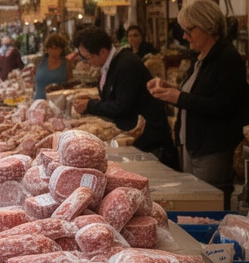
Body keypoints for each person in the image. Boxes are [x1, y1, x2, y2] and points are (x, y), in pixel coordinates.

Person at [148, 0, 249, 205]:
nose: (185, 36)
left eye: (189, 30)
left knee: (207, 203)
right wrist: (172, 89)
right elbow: (198, 95)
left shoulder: (227, 58)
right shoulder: (201, 58)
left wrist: (179, 97)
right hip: (193, 145)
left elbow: (223, 105)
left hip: (213, 147)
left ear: (208, 27)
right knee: (194, 201)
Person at [71, 27, 177, 168]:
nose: (86, 62)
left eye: (88, 57)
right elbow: (116, 97)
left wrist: (90, 105)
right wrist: (94, 101)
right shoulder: (111, 64)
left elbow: (122, 106)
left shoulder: (126, 65)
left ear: (103, 52)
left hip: (149, 144)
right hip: (134, 140)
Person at [33, 32, 72, 100]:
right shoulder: (38, 61)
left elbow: (71, 84)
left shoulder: (67, 63)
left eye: (56, 48)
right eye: (50, 48)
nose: (53, 51)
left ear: (61, 49)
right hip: (38, 101)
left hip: (58, 103)